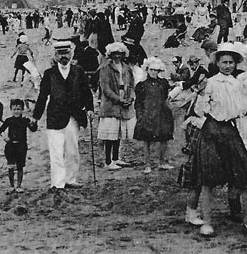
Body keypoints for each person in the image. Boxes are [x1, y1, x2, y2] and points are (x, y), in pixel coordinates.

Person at [191, 42, 247, 236]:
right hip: (212, 131)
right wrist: (200, 94)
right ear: (217, 62)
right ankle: (207, 222)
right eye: (224, 62)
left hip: (232, 130)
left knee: (244, 175)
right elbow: (200, 111)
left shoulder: (237, 83)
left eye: (231, 62)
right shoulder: (210, 83)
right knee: (209, 179)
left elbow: (242, 109)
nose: (227, 66)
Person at [33, 41, 94, 191]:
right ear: (55, 55)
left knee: (72, 151)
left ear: (71, 53)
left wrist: (90, 109)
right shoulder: (49, 73)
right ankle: (57, 183)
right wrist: (35, 117)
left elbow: (86, 92)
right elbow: (42, 96)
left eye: (66, 53)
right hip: (55, 117)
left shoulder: (78, 71)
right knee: (56, 152)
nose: (63, 56)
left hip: (74, 116)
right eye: (60, 54)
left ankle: (71, 179)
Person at [97, 42, 136, 170]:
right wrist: (119, 99)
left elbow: (131, 85)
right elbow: (106, 89)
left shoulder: (127, 68)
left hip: (123, 100)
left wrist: (130, 98)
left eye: (119, 54)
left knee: (119, 132)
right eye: (115, 54)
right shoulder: (105, 68)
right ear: (110, 55)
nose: (117, 56)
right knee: (110, 134)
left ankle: (116, 158)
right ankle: (108, 162)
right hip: (111, 104)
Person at [134, 57, 175, 174]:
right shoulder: (142, 85)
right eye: (151, 70)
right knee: (147, 139)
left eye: (156, 70)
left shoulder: (163, 83)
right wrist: (140, 116)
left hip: (161, 113)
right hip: (147, 114)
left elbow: (165, 97)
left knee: (164, 137)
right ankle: (147, 164)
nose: (154, 72)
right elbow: (138, 102)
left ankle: (162, 162)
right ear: (147, 70)